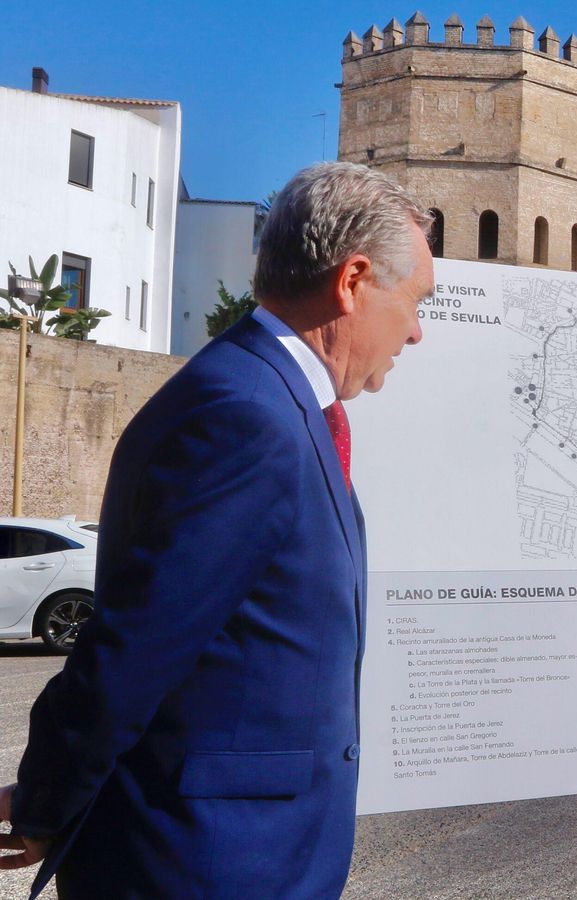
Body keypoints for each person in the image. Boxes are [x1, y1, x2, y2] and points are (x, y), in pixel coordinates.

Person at [0, 162, 434, 898]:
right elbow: (138, 642)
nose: (417, 332)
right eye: (417, 301)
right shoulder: (246, 415)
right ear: (353, 281)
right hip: (205, 863)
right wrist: (48, 797)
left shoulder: (261, 396)